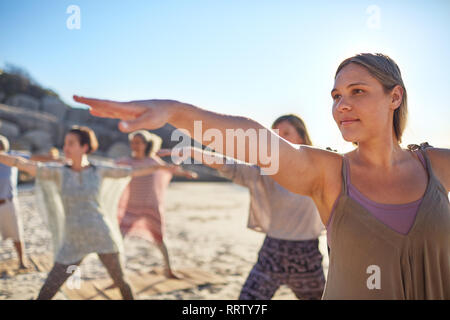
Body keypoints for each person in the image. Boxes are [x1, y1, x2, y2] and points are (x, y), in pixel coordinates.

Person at [74, 53, 450, 299]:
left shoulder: (436, 165)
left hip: (305, 255)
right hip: (274, 249)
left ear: (394, 97)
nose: (342, 105)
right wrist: (177, 112)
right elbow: (253, 143)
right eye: (335, 95)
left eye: (357, 91)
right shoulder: (328, 172)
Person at [160, 114, 326, 300]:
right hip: (272, 251)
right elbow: (228, 165)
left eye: (286, 133)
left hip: (307, 256)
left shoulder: (320, 170)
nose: (280, 140)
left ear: (302, 137)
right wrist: (192, 150)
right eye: (275, 135)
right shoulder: (264, 171)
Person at [0, 126, 177, 300]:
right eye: (65, 143)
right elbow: (22, 164)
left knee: (121, 282)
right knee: (48, 289)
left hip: (102, 234)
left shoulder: (99, 170)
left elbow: (132, 171)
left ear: (84, 147)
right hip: (72, 241)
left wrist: (160, 168)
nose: (65, 148)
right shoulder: (57, 172)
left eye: (71, 143)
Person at [117, 130, 197, 279]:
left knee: (160, 239)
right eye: (133, 142)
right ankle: (119, 275)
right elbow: (111, 169)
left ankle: (169, 270)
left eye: (138, 142)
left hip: (151, 206)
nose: (135, 145)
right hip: (131, 206)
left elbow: (168, 169)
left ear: (146, 144)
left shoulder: (153, 161)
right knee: (119, 240)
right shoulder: (126, 161)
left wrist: (185, 174)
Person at [0, 135, 28, 270]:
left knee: (16, 234)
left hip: (8, 203)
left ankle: (22, 261)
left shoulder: (12, 158)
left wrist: (51, 158)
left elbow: (31, 159)